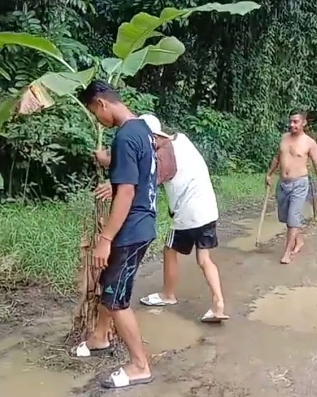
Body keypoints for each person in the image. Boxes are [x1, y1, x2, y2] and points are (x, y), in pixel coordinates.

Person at [96, 114, 229, 323]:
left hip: (188, 214)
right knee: (204, 259)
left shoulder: (165, 156)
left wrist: (111, 180)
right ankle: (218, 303)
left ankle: (168, 295)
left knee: (169, 250)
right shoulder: (180, 141)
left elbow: (140, 178)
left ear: (155, 137)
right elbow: (142, 160)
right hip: (208, 210)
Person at [80, 80, 156, 389]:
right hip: (142, 222)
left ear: (101, 104)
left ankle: (140, 365)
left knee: (116, 297)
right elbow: (136, 173)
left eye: (95, 113)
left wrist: (105, 239)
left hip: (131, 229)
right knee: (109, 284)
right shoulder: (142, 130)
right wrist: (109, 166)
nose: (99, 120)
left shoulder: (124, 136)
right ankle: (99, 338)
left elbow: (125, 191)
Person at [265, 109, 317, 265]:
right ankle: (299, 240)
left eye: (295, 122)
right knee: (286, 217)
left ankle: (287, 252)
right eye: (291, 121)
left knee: (293, 217)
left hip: (299, 184)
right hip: (283, 183)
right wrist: (269, 174)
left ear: (303, 123)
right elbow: (277, 157)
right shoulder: (284, 138)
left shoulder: (309, 143)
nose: (292, 124)